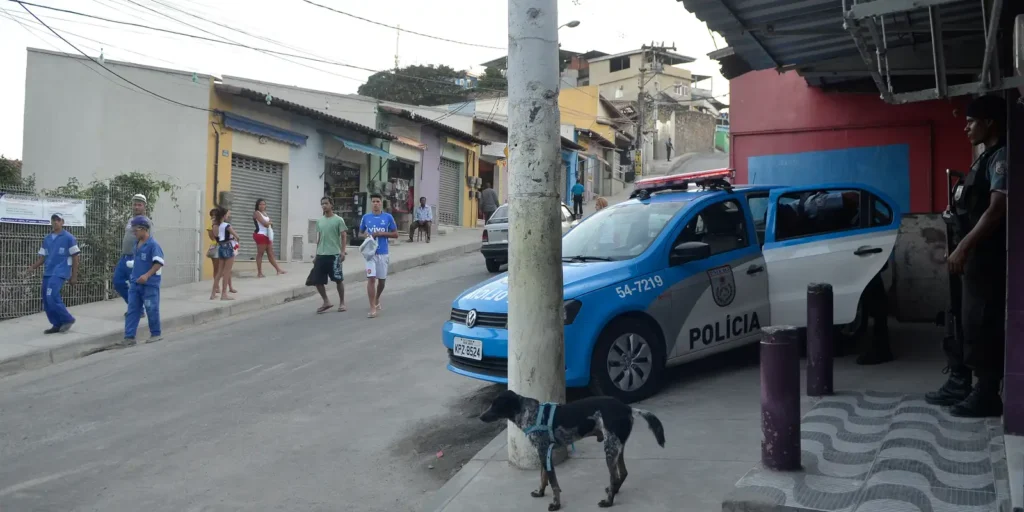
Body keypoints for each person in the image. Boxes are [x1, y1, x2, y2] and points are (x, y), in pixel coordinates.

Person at [925, 94, 1007, 418]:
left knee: (981, 321)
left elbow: (997, 209)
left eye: (972, 122)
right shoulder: (982, 158)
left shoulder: (1001, 158)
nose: (966, 128)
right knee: (959, 317)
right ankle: (960, 380)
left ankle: (986, 392)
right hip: (968, 256)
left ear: (990, 123)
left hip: (984, 256)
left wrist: (965, 245)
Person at [25, 213, 80, 334]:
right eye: (53, 220)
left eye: (58, 220)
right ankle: (56, 323)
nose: (55, 222)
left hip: (60, 271)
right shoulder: (47, 239)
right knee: (46, 298)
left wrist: (74, 275)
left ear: (62, 222)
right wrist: (32, 267)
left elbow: (75, 257)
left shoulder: (69, 238)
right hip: (48, 272)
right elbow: (42, 257)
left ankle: (67, 319)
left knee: (51, 295)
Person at [122, 216, 163, 346]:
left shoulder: (153, 245)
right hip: (135, 283)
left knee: (151, 308)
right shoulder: (136, 244)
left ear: (143, 229)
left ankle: (156, 333)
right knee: (133, 309)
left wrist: (147, 275)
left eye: (135, 230)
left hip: (149, 284)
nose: (134, 232)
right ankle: (129, 337)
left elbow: (159, 263)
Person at [306, 196, 347, 314]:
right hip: (321, 254)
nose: (324, 206)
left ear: (331, 205)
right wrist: (316, 254)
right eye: (322, 204)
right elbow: (319, 238)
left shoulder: (339, 220)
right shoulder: (320, 221)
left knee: (338, 279)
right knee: (316, 280)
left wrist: (343, 251)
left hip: (334, 254)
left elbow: (344, 236)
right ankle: (326, 301)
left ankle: (342, 302)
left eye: (326, 203)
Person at [359, 193, 398, 318]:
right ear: (371, 203)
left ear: (381, 203)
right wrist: (368, 236)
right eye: (373, 201)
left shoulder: (388, 217)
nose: (375, 203)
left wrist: (381, 233)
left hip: (383, 253)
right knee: (371, 279)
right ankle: (372, 307)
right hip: (370, 254)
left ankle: (377, 298)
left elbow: (395, 234)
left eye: (377, 201)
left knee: (381, 281)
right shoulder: (366, 217)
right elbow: (360, 233)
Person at [114, 194, 152, 316]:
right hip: (124, 257)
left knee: (134, 286)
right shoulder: (131, 220)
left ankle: (138, 310)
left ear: (144, 207)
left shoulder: (146, 222)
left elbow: (148, 240)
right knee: (118, 282)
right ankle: (135, 307)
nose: (136, 207)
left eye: (139, 204)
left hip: (134, 258)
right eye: (135, 204)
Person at [210, 207, 240, 301]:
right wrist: (234, 239)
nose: (228, 216)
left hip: (221, 247)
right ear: (223, 215)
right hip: (228, 247)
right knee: (227, 271)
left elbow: (216, 237)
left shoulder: (214, 226)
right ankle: (224, 294)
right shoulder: (227, 225)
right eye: (227, 214)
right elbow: (237, 236)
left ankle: (213, 294)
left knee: (219, 272)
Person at [252, 198, 286, 278]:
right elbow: (265, 224)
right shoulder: (257, 213)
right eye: (260, 204)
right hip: (260, 235)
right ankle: (259, 273)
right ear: (257, 205)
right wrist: (269, 223)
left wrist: (269, 223)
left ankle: (278, 269)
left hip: (267, 235)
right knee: (260, 254)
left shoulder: (265, 213)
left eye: (264, 204)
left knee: (271, 253)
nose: (262, 206)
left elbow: (270, 223)